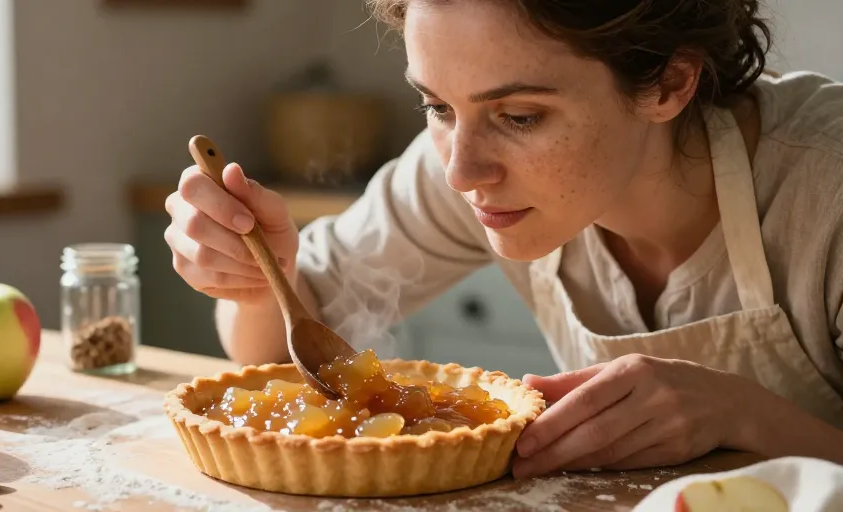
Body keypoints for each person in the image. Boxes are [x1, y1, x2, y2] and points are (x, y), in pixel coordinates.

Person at [163, 0, 843, 479]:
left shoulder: (828, 189)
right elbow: (271, 345)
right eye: (436, 106)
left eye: (520, 115)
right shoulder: (461, 171)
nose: (461, 170)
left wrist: (743, 415)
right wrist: (257, 274)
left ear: (669, 80)